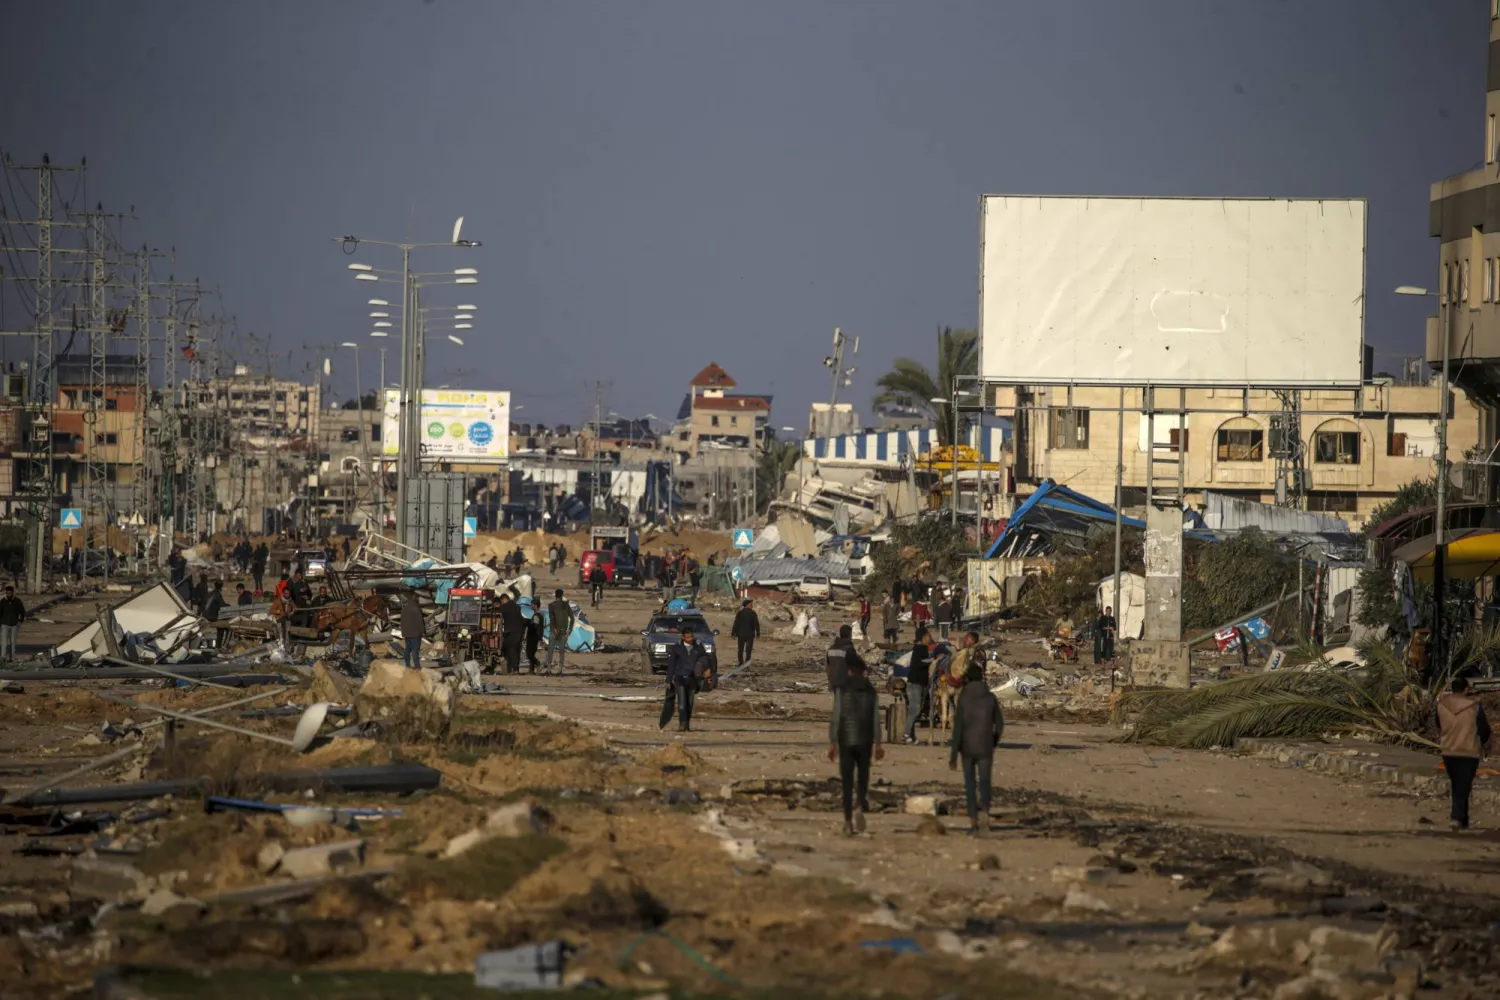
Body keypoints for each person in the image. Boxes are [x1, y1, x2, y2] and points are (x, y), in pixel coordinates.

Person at [828, 655, 883, 836]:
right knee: (863, 777)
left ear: (849, 671)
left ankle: (847, 821)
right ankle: (859, 804)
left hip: (846, 740)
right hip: (865, 740)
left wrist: (833, 742)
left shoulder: (842, 689)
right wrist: (878, 743)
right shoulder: (870, 690)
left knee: (847, 781)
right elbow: (875, 718)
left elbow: (836, 717)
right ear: (863, 671)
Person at [949, 661, 1004, 834]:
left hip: (967, 747)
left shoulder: (964, 699)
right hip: (985, 746)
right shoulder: (990, 698)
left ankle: (973, 819)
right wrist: (993, 740)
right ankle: (985, 811)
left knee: (970, 784)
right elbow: (1000, 724)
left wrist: (953, 754)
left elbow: (958, 727)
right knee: (985, 781)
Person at [1437, 676, 1492, 831]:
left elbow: (1438, 724)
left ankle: (1463, 819)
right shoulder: (1474, 707)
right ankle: (1456, 817)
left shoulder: (1441, 705)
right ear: (1466, 689)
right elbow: (1484, 729)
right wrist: (1483, 742)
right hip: (1469, 751)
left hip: (1448, 750)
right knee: (1463, 785)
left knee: (1458, 784)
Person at [659, 625, 712, 732]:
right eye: (688, 637)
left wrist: (708, 670)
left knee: (689, 704)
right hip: (679, 679)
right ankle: (682, 724)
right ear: (683, 637)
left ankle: (687, 724)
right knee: (682, 704)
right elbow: (672, 664)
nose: (690, 639)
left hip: (692, 680)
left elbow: (706, 660)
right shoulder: (677, 648)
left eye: (691, 636)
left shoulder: (698, 647)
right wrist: (668, 680)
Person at [904, 626, 934, 744]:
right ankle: (906, 734)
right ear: (923, 637)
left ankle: (911, 737)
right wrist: (933, 660)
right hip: (914, 684)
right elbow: (919, 663)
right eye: (928, 636)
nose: (929, 638)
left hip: (919, 684)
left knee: (916, 709)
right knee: (914, 709)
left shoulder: (922, 649)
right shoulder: (920, 649)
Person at [826, 624, 865, 691]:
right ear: (849, 635)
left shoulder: (831, 648)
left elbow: (828, 666)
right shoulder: (848, 649)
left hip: (832, 682)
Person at [545, 589, 574, 673]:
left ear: (555, 595)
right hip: (563, 631)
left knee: (550, 649)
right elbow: (572, 618)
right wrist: (570, 629)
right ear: (562, 596)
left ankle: (549, 668)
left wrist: (554, 628)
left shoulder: (551, 605)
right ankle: (560, 669)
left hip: (554, 631)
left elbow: (551, 618)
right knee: (561, 650)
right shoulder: (566, 605)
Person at [498, 592, 526, 674]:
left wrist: (500, 629)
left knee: (510, 650)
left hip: (510, 632)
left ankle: (512, 669)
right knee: (517, 650)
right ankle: (516, 669)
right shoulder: (517, 606)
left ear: (503, 600)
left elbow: (500, 619)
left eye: (501, 602)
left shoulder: (504, 607)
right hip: (520, 631)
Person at [731, 598, 760, 666]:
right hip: (750, 635)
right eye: (751, 604)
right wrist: (758, 633)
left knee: (740, 650)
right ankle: (746, 664)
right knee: (748, 650)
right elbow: (756, 624)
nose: (752, 605)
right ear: (747, 605)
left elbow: (736, 623)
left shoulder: (740, 613)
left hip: (741, 634)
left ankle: (741, 663)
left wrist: (733, 633)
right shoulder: (753, 613)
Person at [399, 592, 424, 669]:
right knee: (415, 651)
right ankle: (417, 667)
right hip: (415, 634)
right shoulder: (416, 609)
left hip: (407, 634)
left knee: (407, 649)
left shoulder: (404, 610)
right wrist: (423, 632)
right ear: (415, 599)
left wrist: (404, 633)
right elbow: (420, 621)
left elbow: (402, 622)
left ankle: (407, 665)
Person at [0, 585, 25, 663]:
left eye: (10, 593)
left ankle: (12, 657)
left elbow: (22, 612)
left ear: (13, 593)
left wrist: (20, 621)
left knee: (13, 642)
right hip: (5, 625)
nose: (8, 595)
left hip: (14, 625)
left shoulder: (17, 601)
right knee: (4, 642)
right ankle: (3, 657)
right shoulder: (3, 601)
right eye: (7, 593)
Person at [524, 600, 543, 672]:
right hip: (535, 637)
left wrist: (528, 624)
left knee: (529, 654)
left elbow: (535, 626)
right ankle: (531, 670)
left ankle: (537, 663)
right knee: (531, 653)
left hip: (533, 637)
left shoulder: (536, 616)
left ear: (535, 605)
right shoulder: (539, 615)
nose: (531, 606)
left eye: (532, 604)